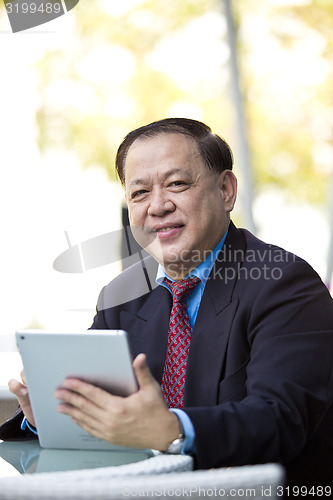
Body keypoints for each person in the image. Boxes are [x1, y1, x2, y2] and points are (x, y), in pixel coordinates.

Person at [1, 118, 333, 489]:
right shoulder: (120, 295)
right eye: (139, 193)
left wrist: (172, 430)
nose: (157, 207)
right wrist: (51, 413)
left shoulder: (283, 281)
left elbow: (280, 419)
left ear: (225, 190)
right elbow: (110, 411)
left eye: (177, 184)